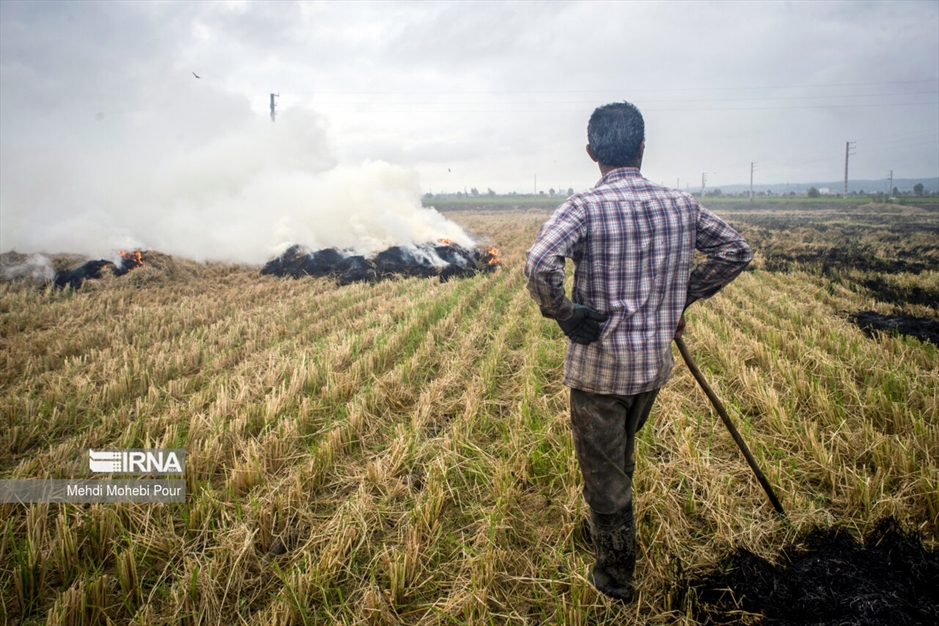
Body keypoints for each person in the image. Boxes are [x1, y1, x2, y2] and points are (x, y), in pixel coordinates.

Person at [524, 101, 753, 604]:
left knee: (604, 473)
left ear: (591, 153)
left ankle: (615, 576)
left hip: (600, 371)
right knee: (620, 456)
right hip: (651, 368)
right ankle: (612, 531)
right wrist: (683, 293)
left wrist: (563, 313)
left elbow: (541, 262)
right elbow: (737, 250)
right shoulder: (681, 205)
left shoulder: (583, 206)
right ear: (643, 147)